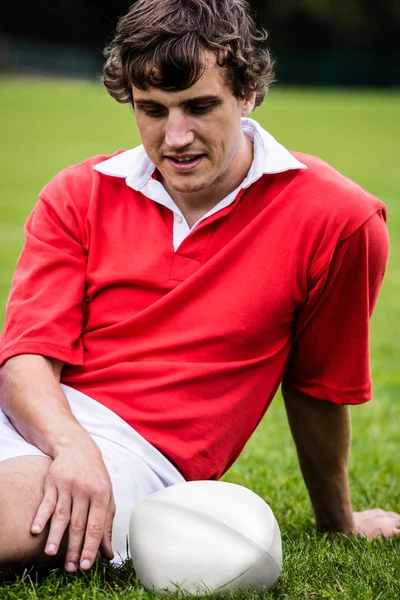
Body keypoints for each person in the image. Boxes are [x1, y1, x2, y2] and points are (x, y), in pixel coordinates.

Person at [0, 0, 399, 576]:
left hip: (134, 456)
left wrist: (338, 520)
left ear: (248, 94)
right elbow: (26, 358)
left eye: (200, 106)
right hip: (43, 415)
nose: (176, 137)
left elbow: (319, 387)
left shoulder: (341, 221)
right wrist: (69, 443)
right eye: (152, 110)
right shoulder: (77, 192)